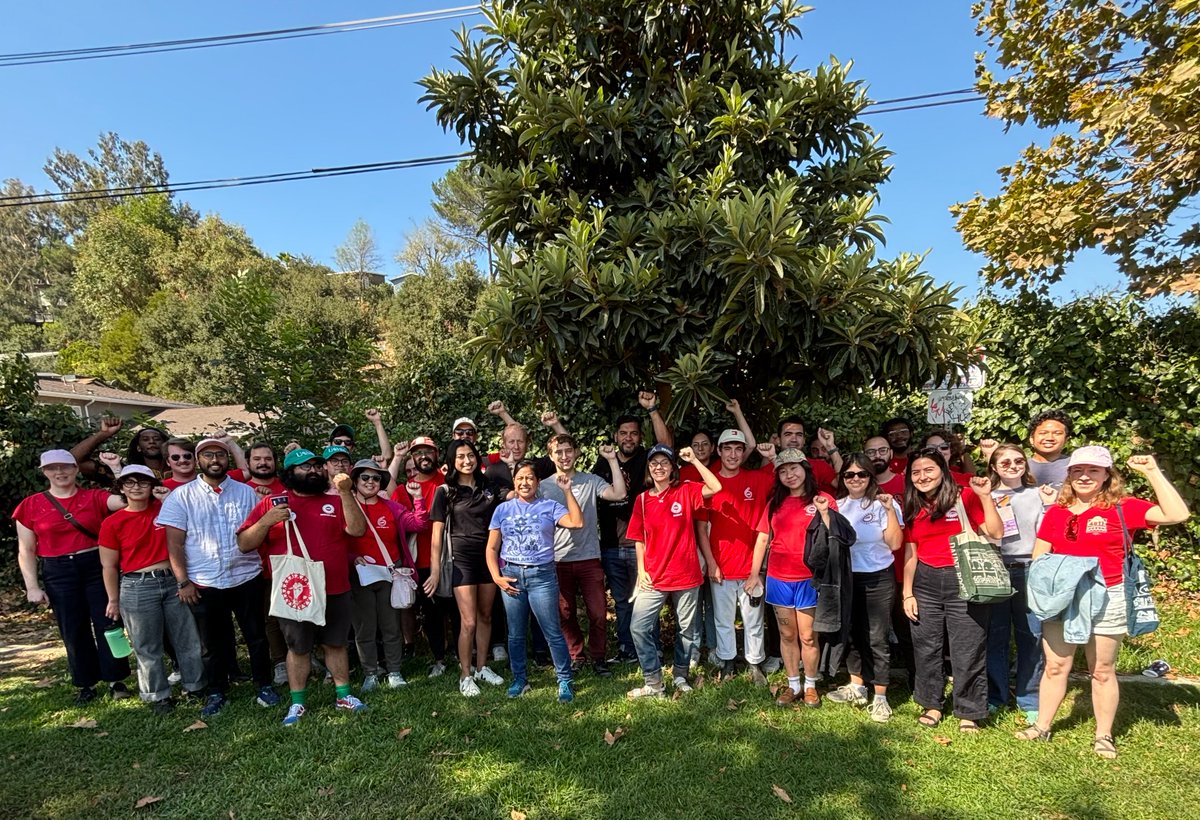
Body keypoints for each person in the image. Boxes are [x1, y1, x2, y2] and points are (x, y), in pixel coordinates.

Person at [1017, 447, 1189, 758]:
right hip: (1063, 597)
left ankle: (1103, 735)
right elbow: (1040, 554)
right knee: (1055, 666)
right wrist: (1045, 590)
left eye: (1093, 470)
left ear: (1107, 475)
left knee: (1102, 670)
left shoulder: (1124, 507)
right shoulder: (1057, 511)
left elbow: (1177, 514)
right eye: (1078, 470)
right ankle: (1041, 726)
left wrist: (1152, 472)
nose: (1084, 476)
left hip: (1109, 595)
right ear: (1069, 475)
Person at [237, 448, 369, 726]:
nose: (313, 471)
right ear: (290, 472)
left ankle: (343, 695)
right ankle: (297, 703)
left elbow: (357, 530)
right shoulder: (273, 502)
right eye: (304, 467)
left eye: (317, 466)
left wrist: (346, 493)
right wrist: (266, 521)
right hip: (295, 591)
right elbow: (244, 544)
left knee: (335, 643)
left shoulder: (335, 501)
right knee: (298, 647)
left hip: (335, 587)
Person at [158, 438, 277, 718]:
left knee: (256, 636)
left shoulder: (246, 493)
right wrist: (183, 582)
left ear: (228, 459)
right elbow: (174, 544)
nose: (215, 460)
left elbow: (260, 531)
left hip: (246, 575)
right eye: (208, 454)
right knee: (212, 642)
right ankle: (216, 691)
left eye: (220, 455)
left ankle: (264, 685)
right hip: (204, 580)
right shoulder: (181, 496)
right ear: (199, 459)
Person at [13, 449, 131, 704]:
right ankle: (86, 683)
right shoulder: (30, 505)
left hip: (96, 565)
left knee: (110, 622)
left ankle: (117, 679)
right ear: (44, 472)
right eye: (52, 468)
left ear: (76, 469)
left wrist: (117, 468)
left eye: (65, 466)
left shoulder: (94, 497)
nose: (60, 472)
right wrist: (32, 586)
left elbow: (127, 500)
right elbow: (26, 549)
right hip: (58, 570)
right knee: (72, 628)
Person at [901, 447, 1003, 733]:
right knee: (926, 646)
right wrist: (907, 593)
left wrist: (985, 497)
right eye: (916, 472)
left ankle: (969, 711)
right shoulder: (913, 505)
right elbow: (911, 552)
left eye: (929, 470)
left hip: (965, 577)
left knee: (968, 648)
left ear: (943, 471)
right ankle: (931, 703)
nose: (922, 477)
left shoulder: (964, 496)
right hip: (926, 581)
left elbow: (996, 532)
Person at [98, 465, 205, 713]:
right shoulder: (113, 522)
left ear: (152, 485)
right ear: (121, 487)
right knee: (147, 644)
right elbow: (109, 566)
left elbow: (188, 529)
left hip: (173, 580)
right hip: (138, 585)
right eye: (130, 482)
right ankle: (158, 695)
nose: (136, 487)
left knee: (187, 638)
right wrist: (113, 599)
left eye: (143, 482)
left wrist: (166, 498)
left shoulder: (165, 511)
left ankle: (195, 686)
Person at [625, 445, 722, 698]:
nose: (659, 467)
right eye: (654, 463)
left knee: (686, 631)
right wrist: (641, 571)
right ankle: (653, 682)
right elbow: (639, 539)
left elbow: (715, 487)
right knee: (638, 627)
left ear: (672, 468)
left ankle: (680, 675)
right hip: (654, 577)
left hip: (686, 575)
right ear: (648, 468)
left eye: (664, 463)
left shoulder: (685, 491)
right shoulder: (642, 500)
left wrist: (695, 461)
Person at [486, 461, 585, 702]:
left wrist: (567, 491)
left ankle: (564, 680)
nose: (525, 482)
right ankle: (520, 679)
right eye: (520, 478)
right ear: (514, 481)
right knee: (515, 634)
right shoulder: (502, 510)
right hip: (511, 576)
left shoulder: (549, 506)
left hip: (542, 576)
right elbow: (491, 548)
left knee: (552, 631)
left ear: (538, 482)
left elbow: (577, 522)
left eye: (530, 478)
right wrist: (496, 577)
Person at [747, 448, 836, 707]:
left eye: (794, 468)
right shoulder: (775, 503)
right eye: (783, 471)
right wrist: (754, 574)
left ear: (805, 470)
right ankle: (793, 684)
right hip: (779, 578)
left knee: (808, 636)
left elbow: (837, 535)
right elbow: (763, 538)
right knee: (787, 635)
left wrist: (825, 513)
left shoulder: (823, 500)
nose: (789, 475)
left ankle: (811, 685)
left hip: (810, 579)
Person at [539, 434, 626, 677]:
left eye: (568, 450)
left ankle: (599, 658)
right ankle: (576, 655)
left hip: (589, 557)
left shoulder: (590, 480)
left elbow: (619, 494)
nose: (564, 456)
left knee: (598, 613)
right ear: (550, 456)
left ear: (576, 452)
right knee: (564, 613)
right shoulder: (543, 486)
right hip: (558, 559)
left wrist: (612, 460)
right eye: (558, 452)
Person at [594, 392, 670, 664]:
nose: (629, 438)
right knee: (622, 601)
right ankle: (627, 649)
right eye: (624, 433)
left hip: (643, 544)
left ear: (640, 437)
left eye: (634, 433)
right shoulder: (603, 462)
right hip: (612, 545)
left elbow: (665, 445)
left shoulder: (648, 459)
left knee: (647, 600)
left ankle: (652, 648)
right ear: (616, 436)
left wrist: (652, 409)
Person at [426, 439, 506, 697]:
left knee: (485, 616)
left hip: (488, 558)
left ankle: (482, 667)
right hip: (461, 561)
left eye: (470, 455)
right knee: (468, 621)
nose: (466, 460)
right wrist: (435, 572)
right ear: (452, 461)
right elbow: (436, 535)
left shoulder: (489, 487)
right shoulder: (445, 491)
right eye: (460, 456)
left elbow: (512, 499)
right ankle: (465, 675)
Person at [826, 454, 903, 721]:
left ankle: (880, 696)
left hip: (877, 578)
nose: (856, 479)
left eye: (862, 474)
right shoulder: (837, 506)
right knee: (851, 634)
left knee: (876, 637)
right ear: (843, 478)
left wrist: (890, 510)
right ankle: (857, 686)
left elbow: (895, 543)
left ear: (870, 476)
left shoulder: (883, 504)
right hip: (847, 579)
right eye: (849, 474)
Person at [348, 459, 426, 692]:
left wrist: (418, 498)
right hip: (360, 576)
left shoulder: (391, 507)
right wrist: (351, 557)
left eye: (376, 478)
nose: (370, 482)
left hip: (390, 574)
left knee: (391, 625)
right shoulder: (347, 506)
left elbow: (418, 524)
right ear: (355, 481)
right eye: (365, 477)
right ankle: (370, 673)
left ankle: (394, 671)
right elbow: (337, 539)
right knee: (364, 628)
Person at [702, 429, 774, 684]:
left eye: (738, 449)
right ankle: (728, 662)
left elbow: (791, 478)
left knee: (753, 620)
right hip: (721, 566)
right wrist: (711, 563)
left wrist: (772, 457)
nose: (733, 455)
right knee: (723, 619)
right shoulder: (709, 487)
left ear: (744, 453)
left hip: (751, 567)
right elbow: (701, 527)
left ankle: (755, 663)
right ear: (719, 451)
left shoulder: (757, 479)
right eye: (728, 449)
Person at [983, 444, 1048, 723]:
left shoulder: (1039, 494)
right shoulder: (987, 496)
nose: (1012, 466)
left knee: (1031, 636)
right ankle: (996, 696)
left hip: (1029, 568)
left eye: (1018, 461)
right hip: (996, 568)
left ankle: (1029, 698)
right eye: (1005, 462)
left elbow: (1047, 532)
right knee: (995, 636)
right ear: (994, 467)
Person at [390, 437, 459, 678]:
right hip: (421, 560)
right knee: (432, 613)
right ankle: (438, 658)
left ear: (436, 454)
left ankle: (462, 656)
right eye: (418, 453)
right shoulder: (404, 490)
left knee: (457, 610)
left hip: (453, 556)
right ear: (412, 458)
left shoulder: (449, 481)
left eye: (428, 451)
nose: (423, 456)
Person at [1026, 409, 1073, 489]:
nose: (1049, 438)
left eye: (1057, 433)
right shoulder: (1020, 468)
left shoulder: (1075, 466)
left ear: (1066, 440)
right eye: (1043, 433)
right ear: (1031, 439)